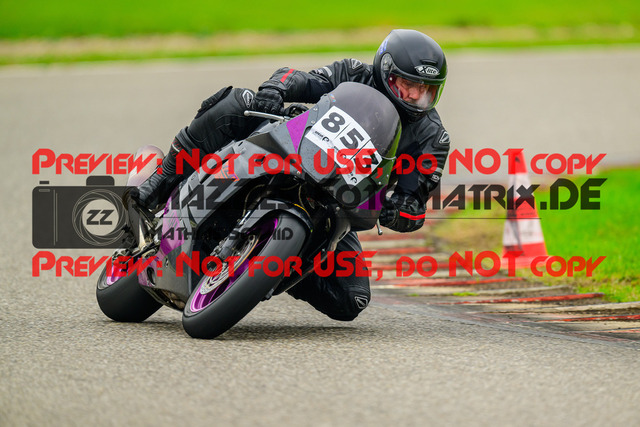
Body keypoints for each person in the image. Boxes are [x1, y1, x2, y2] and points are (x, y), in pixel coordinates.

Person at [127, 29, 450, 321]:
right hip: (292, 150)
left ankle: (267, 269)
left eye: (425, 90)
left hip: (337, 204)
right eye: (408, 84)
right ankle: (161, 180)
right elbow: (299, 78)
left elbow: (413, 203)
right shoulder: (354, 73)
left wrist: (399, 211)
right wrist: (276, 88)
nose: (414, 96)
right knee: (239, 102)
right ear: (385, 71)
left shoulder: (432, 138)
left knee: (351, 300)